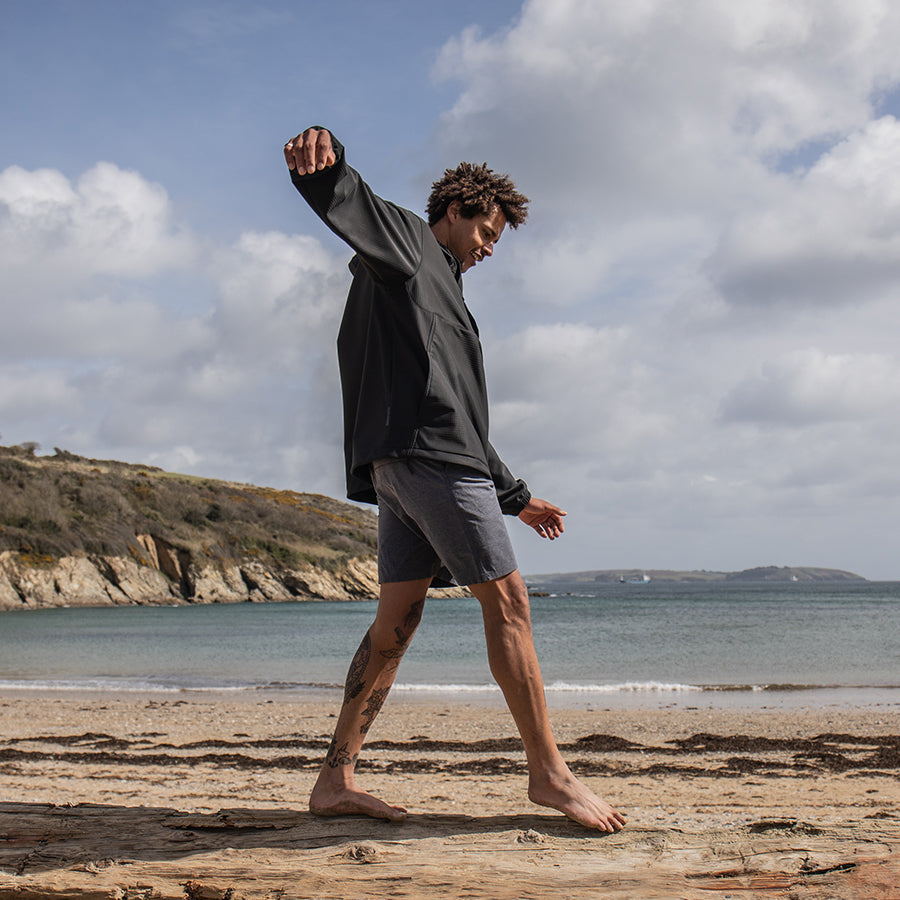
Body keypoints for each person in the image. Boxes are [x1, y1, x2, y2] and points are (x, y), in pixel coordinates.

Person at [283, 127, 626, 833]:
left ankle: (334, 781)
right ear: (454, 210)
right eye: (486, 231)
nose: (489, 247)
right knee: (509, 603)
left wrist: (515, 496)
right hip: (429, 461)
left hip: (404, 466)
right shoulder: (410, 245)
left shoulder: (444, 293)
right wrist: (325, 168)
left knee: (396, 625)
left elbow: (461, 413)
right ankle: (549, 775)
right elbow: (356, 203)